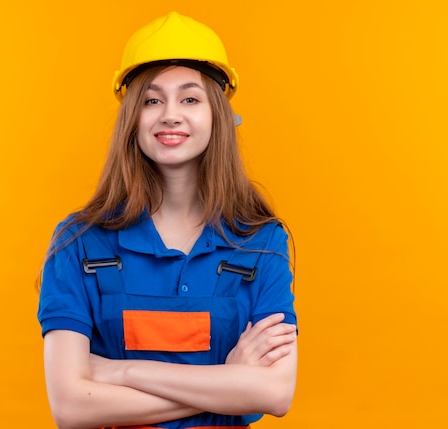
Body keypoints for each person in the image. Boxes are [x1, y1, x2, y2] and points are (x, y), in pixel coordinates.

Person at [37, 11, 298, 429]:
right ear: (131, 120)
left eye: (190, 99)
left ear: (218, 116)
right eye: (152, 100)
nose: (170, 115)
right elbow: (70, 407)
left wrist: (121, 371)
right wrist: (229, 384)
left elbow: (275, 393)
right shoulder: (79, 242)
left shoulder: (262, 242)